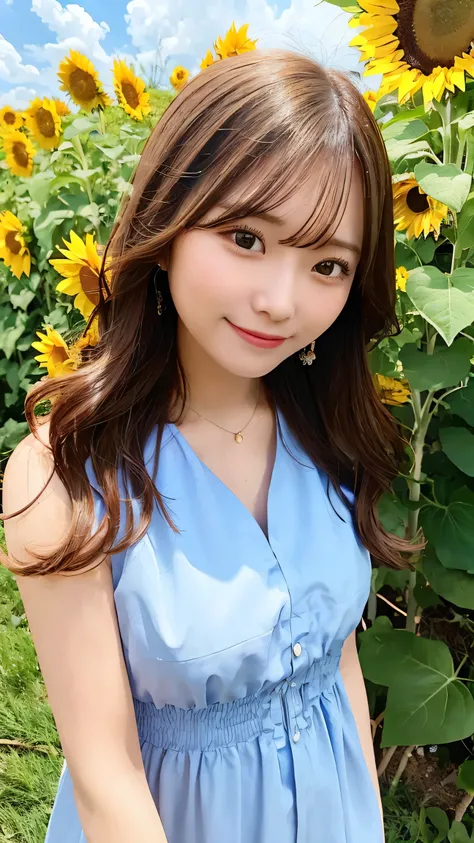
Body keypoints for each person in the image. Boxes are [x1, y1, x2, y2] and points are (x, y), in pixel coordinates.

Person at [1, 47, 421, 843]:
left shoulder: (321, 427)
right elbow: (106, 776)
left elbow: (337, 665)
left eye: (327, 263)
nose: (281, 301)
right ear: (166, 222)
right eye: (246, 237)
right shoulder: (64, 477)